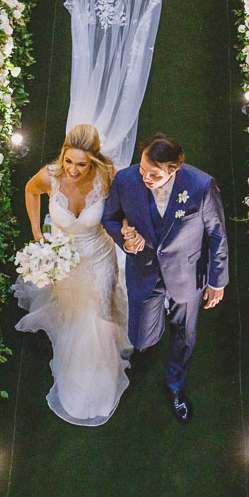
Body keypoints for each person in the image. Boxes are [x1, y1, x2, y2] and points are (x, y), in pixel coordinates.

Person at [102, 134, 229, 423]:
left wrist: (217, 281)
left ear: (174, 169)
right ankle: (146, 344)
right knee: (142, 336)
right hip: (143, 270)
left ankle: (175, 385)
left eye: (154, 174)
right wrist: (124, 238)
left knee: (184, 334)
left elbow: (217, 235)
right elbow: (109, 218)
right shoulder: (126, 180)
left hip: (187, 273)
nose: (145, 177)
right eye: (143, 168)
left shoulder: (200, 186)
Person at [17, 124, 132, 426]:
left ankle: (101, 375)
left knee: (98, 314)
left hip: (99, 258)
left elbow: (125, 208)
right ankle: (75, 364)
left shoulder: (108, 175)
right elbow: (30, 190)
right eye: (69, 161)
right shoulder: (51, 174)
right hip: (64, 260)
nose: (73, 170)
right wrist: (36, 232)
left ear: (93, 160)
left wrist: (126, 227)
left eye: (81, 164)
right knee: (73, 314)